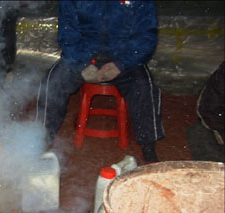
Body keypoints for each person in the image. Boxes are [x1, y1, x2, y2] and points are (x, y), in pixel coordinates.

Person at [35, 0, 164, 163]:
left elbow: (146, 36)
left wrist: (121, 64)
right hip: (83, 57)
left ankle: (148, 145)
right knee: (52, 84)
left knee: (145, 87)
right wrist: (83, 64)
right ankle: (41, 139)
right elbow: (68, 34)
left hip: (123, 58)